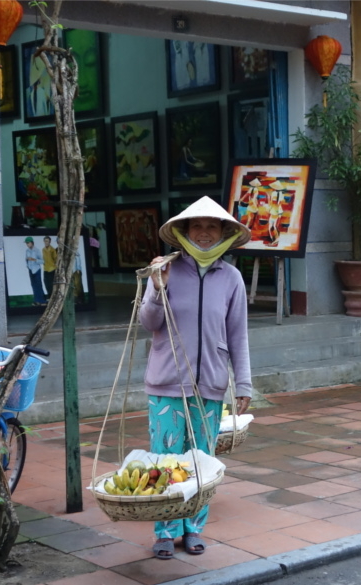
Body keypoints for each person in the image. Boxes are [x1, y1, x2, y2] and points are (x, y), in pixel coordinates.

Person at [139, 196, 253, 560]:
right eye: (197, 227)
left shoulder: (231, 278)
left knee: (201, 461)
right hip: (166, 384)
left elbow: (238, 335)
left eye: (212, 227)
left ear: (224, 234)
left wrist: (245, 383)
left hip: (211, 386)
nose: (204, 234)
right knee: (165, 461)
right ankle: (164, 530)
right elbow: (148, 323)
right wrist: (157, 288)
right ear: (184, 232)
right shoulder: (166, 269)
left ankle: (192, 528)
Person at [24, 236, 45, 306]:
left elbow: (42, 261)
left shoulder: (37, 250)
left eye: (28, 243)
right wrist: (27, 265)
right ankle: (36, 300)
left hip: (36, 269)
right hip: (30, 269)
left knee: (39, 285)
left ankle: (42, 300)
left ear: (32, 243)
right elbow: (26, 259)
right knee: (33, 285)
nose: (27, 244)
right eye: (26, 243)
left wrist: (34, 259)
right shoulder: (27, 251)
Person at [42, 236, 57, 300]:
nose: (46, 242)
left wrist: (55, 266)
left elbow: (55, 258)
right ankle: (49, 295)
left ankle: (52, 296)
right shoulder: (43, 249)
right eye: (45, 241)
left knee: (51, 283)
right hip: (45, 268)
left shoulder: (52, 250)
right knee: (46, 282)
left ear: (50, 242)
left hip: (51, 269)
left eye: (47, 241)